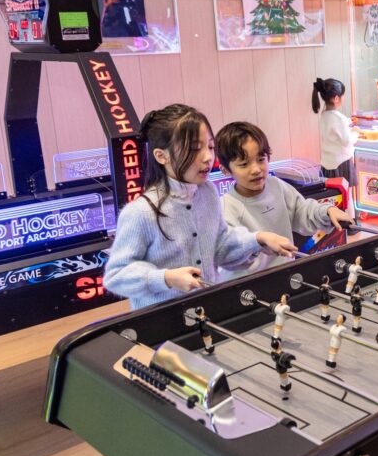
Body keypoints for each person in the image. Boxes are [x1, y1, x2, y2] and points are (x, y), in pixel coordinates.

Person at [104, 104, 295, 310]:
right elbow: (116, 275)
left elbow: (221, 246)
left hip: (208, 311)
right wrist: (167, 278)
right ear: (161, 156)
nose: (207, 157)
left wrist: (258, 239)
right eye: (195, 149)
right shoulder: (140, 212)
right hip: (161, 322)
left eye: (210, 147)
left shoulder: (207, 192)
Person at [216, 121, 352, 278]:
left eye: (261, 159)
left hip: (285, 274)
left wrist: (328, 211)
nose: (256, 169)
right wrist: (259, 241)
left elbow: (302, 210)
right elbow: (230, 252)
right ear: (226, 170)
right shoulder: (227, 207)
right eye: (244, 164)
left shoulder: (276, 186)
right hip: (247, 284)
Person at [313, 77, 358, 214]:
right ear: (336, 98)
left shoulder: (324, 115)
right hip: (341, 163)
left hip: (327, 163)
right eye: (342, 95)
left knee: (333, 197)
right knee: (346, 196)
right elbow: (347, 141)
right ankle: (349, 224)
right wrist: (355, 132)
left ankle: (335, 226)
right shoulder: (339, 119)